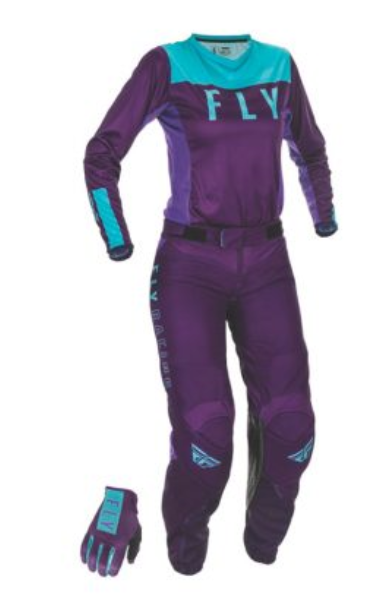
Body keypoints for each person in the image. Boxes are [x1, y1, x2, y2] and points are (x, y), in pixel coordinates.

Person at [83, 32, 338, 576]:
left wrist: (324, 215)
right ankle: (185, 546)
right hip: (189, 267)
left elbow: (311, 147)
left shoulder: (280, 65)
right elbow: (101, 153)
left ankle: (262, 544)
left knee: (294, 431)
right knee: (206, 439)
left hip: (267, 261)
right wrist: (116, 237)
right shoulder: (166, 64)